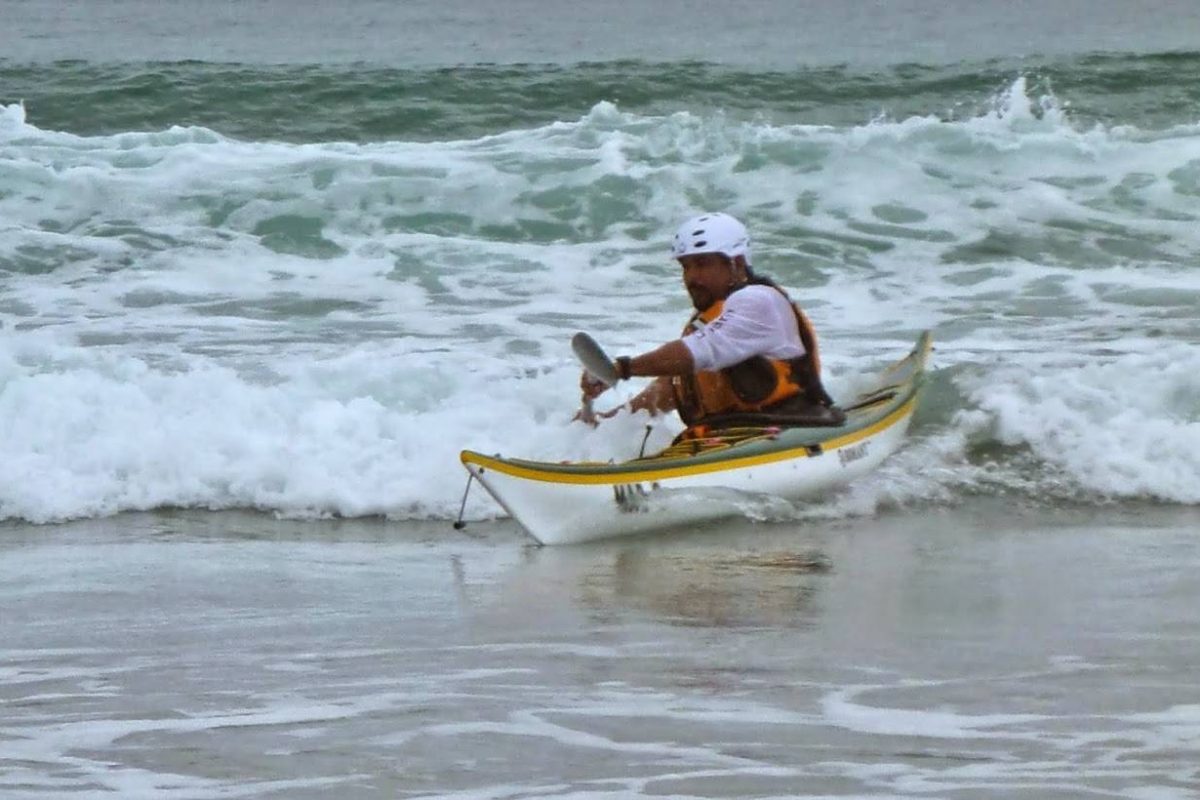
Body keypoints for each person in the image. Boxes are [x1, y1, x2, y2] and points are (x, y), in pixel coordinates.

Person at [580, 212, 843, 433]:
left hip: (789, 427)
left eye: (702, 264)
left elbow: (701, 352)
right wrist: (613, 421)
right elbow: (676, 387)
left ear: (737, 263)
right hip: (729, 437)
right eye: (686, 266)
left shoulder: (759, 301)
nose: (691, 277)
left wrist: (621, 369)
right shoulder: (712, 316)